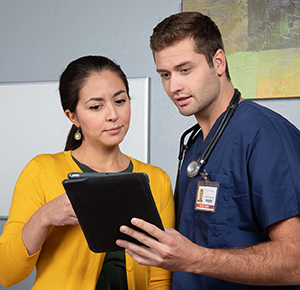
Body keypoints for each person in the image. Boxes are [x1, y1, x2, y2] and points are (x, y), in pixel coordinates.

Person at [116, 12, 300, 289]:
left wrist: (194, 258)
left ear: (218, 62)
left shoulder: (264, 135)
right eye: (165, 74)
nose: (173, 86)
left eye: (185, 70)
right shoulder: (194, 145)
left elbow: (296, 261)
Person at [0, 55, 175, 289]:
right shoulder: (41, 170)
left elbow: (160, 277)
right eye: (96, 106)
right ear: (72, 117)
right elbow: (6, 274)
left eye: (120, 101)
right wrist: (44, 217)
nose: (112, 114)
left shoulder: (157, 180)